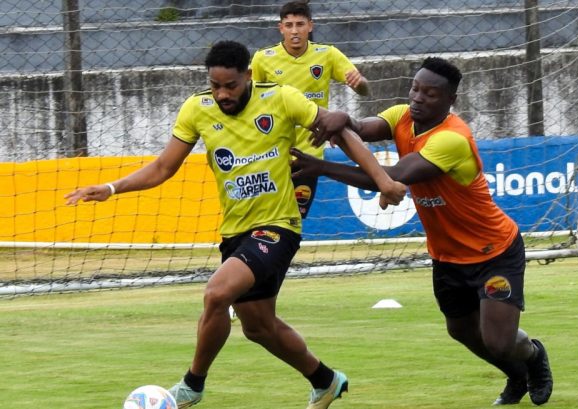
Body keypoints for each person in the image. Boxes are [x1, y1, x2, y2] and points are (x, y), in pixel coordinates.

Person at [65, 41, 405, 409]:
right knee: (258, 327)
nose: (223, 94)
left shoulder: (281, 98)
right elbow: (163, 167)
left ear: (248, 76)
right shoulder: (197, 109)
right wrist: (112, 188)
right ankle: (325, 381)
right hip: (235, 231)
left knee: (216, 293)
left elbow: (341, 133)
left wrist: (383, 181)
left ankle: (192, 385)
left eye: (231, 85)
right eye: (215, 85)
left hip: (279, 225)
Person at [291, 57, 553, 406]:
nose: (417, 97)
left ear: (449, 101)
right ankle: (516, 377)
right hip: (447, 255)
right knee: (459, 330)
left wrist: (322, 167)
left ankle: (533, 356)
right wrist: (344, 118)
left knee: (498, 342)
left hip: (493, 252)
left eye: (429, 94)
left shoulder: (452, 139)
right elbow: (362, 128)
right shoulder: (401, 116)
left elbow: (389, 177)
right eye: (415, 88)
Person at [251, 1, 370, 219]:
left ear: (310, 26)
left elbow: (364, 90)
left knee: (295, 217)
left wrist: (360, 83)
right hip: (271, 153)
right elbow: (250, 102)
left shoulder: (327, 54)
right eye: (289, 25)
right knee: (266, 217)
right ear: (281, 28)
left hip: (308, 155)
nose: (294, 31)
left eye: (300, 24)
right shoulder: (263, 58)